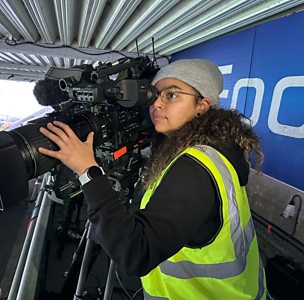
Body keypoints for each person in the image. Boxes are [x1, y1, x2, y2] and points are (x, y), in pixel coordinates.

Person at [38, 59, 267, 299]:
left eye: (172, 95)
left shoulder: (196, 166)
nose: (156, 103)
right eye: (155, 95)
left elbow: (136, 253)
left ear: (202, 105)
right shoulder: (212, 148)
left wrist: (88, 171)